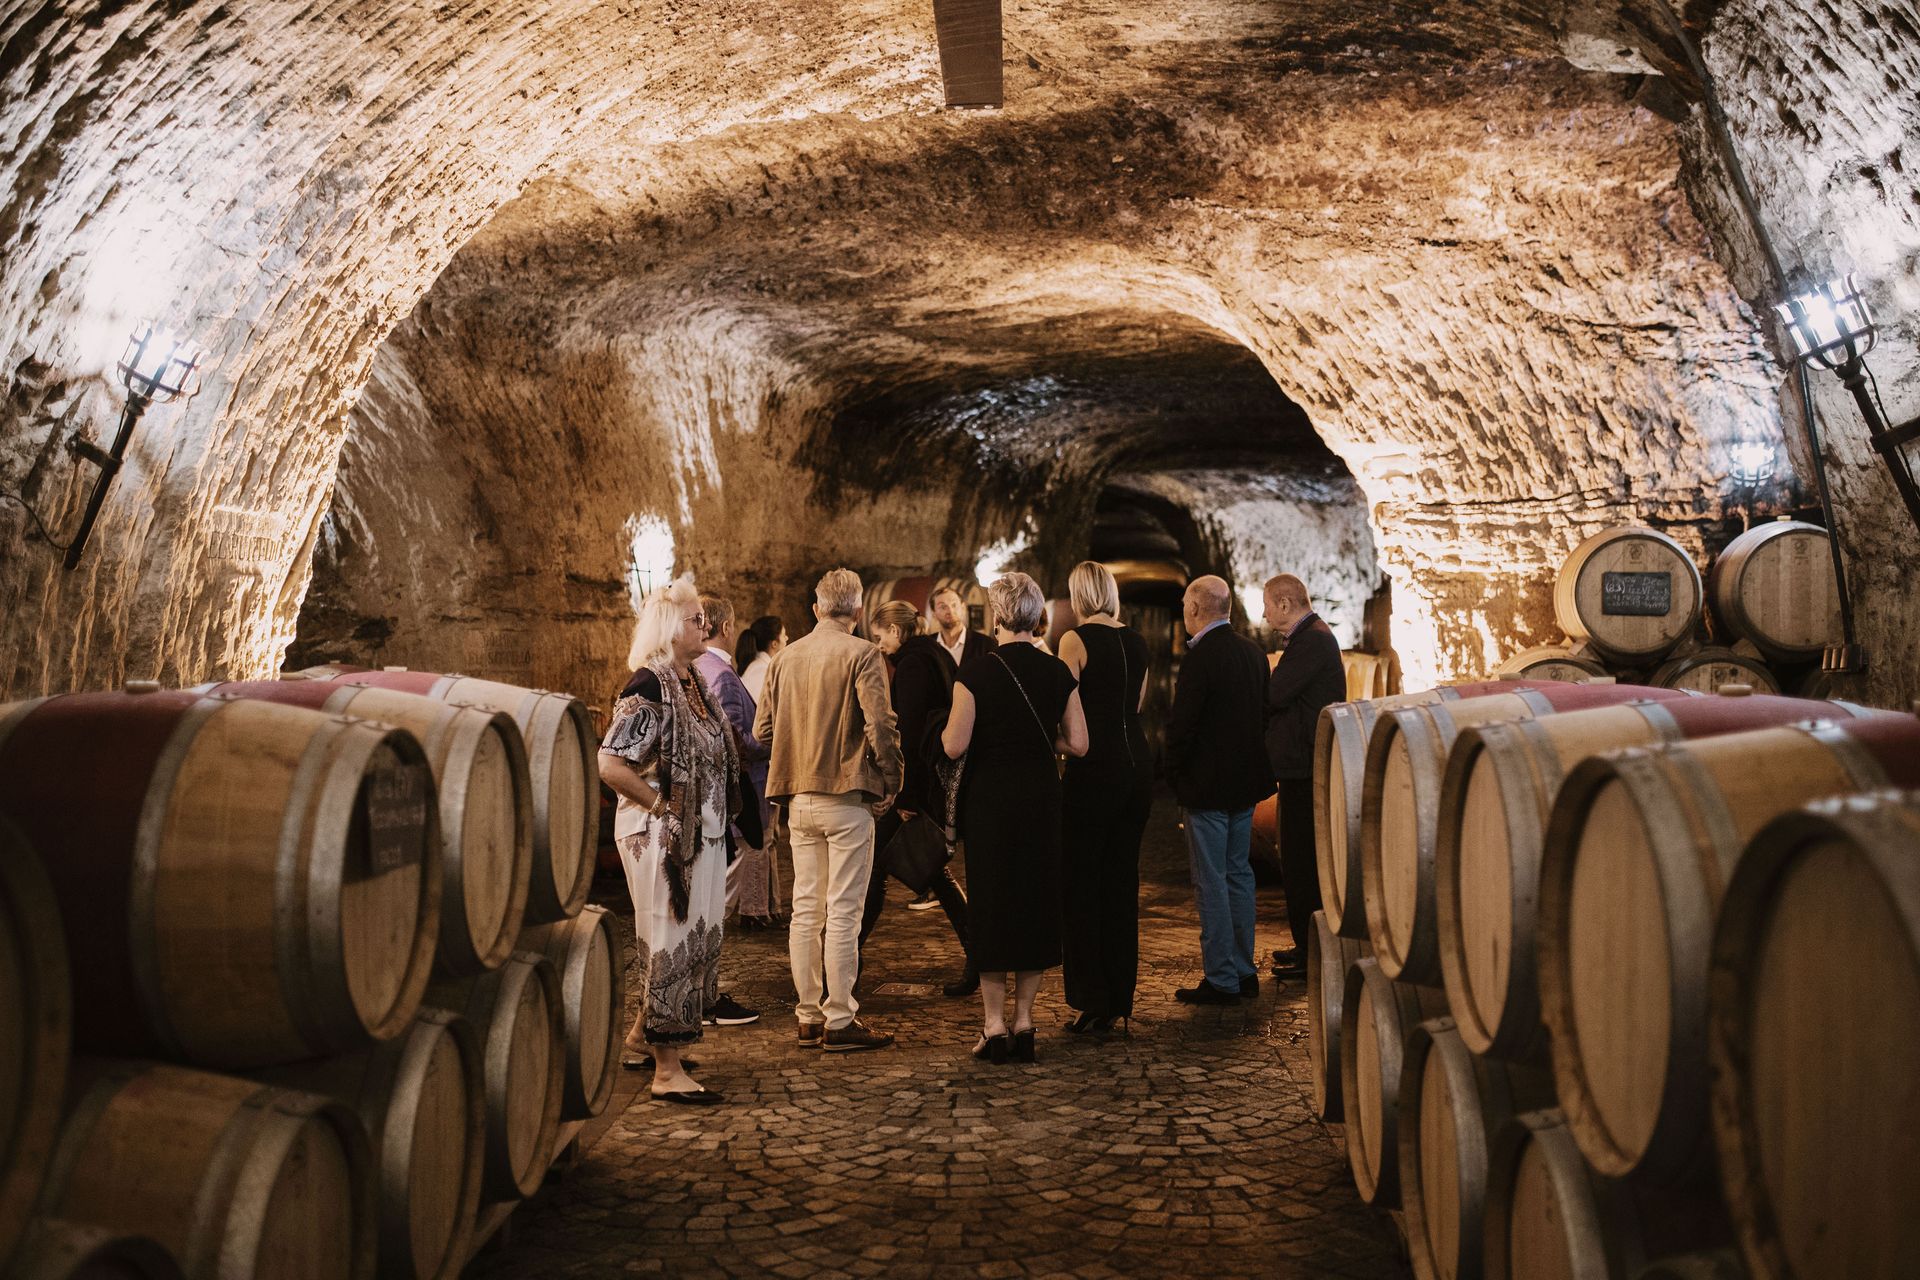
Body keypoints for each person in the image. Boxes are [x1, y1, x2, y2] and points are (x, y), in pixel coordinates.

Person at [599, 578, 737, 1105]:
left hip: (699, 835)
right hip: (662, 839)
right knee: (669, 940)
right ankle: (666, 1069)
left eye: (704, 618)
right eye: (694, 617)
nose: (704, 625)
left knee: (692, 937)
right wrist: (664, 807)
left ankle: (644, 1034)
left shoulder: (691, 683)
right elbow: (609, 762)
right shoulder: (649, 685)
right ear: (668, 625)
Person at [941, 572, 1088, 1064]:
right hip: (1043, 800)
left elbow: (954, 744)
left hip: (991, 804)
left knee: (993, 904)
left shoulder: (977, 673)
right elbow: (1080, 742)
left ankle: (994, 1024)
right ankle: (1026, 1022)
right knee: (1035, 904)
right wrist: (1044, 741)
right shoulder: (1057, 672)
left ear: (999, 615)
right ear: (1036, 615)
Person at [755, 568, 903, 1053]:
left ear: (816, 609)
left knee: (805, 910)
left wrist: (797, 749)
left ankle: (807, 1018)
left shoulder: (785, 658)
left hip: (798, 799)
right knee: (843, 912)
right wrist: (891, 779)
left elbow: (763, 732)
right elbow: (881, 726)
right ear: (858, 612)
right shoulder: (863, 654)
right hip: (847, 797)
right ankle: (840, 1019)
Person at [1166, 574, 1275, 1006]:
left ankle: (1222, 979)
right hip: (1244, 786)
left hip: (1207, 789)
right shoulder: (1253, 654)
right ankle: (1245, 971)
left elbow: (1183, 726)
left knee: (1211, 882)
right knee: (1239, 877)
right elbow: (1264, 716)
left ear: (1195, 609)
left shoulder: (1200, 659)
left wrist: (1173, 773)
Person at [859, 599, 977, 996]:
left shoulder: (911, 664)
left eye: (880, 636)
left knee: (877, 865)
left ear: (895, 631)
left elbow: (907, 731)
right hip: (935, 780)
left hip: (920, 784)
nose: (878, 646)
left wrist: (905, 795)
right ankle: (976, 952)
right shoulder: (935, 654)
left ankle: (848, 957)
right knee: (933, 870)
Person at [1055, 561, 1152, 1034]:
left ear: (1078, 595)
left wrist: (1053, 743)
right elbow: (1135, 707)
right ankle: (1120, 996)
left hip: (1094, 771)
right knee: (1120, 884)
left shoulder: (1074, 641)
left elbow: (1068, 714)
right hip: (1137, 768)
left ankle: (1091, 998)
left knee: (1082, 885)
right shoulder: (1137, 641)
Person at [694, 596, 775, 1022]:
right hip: (734, 797)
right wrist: (776, 741)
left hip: (715, 802)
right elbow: (735, 742)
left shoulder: (699, 669)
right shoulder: (721, 675)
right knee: (717, 898)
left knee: (714, 894)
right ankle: (705, 990)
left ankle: (703, 988)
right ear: (724, 627)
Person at [1262, 574, 1345, 977]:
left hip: (1305, 765)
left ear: (1284, 603)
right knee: (1295, 859)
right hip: (1300, 763)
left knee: (1302, 861)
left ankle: (1312, 950)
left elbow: (1276, 692)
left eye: (1266, 605)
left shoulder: (1311, 639)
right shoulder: (1310, 636)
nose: (1262, 615)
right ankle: (1303, 944)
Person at [931, 584, 992, 670]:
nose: (950, 610)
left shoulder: (985, 644)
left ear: (963, 608)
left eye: (954, 605)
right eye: (942, 607)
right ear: (934, 614)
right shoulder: (928, 646)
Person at [736, 615, 785, 705]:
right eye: (784, 635)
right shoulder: (761, 671)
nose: (787, 638)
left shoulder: (761, 667)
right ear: (774, 644)